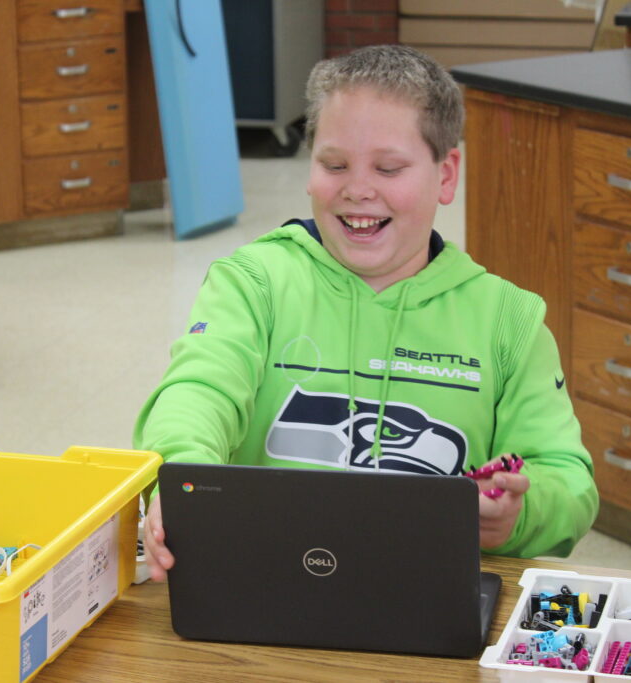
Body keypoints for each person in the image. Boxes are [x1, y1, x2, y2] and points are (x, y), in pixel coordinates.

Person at [134, 45, 598, 582]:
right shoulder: (255, 282)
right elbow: (196, 393)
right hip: (263, 579)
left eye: (389, 167)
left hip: (427, 595)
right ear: (309, 171)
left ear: (446, 175)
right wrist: (180, 476)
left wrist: (520, 515)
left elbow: (568, 480)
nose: (358, 190)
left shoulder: (507, 319)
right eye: (335, 165)